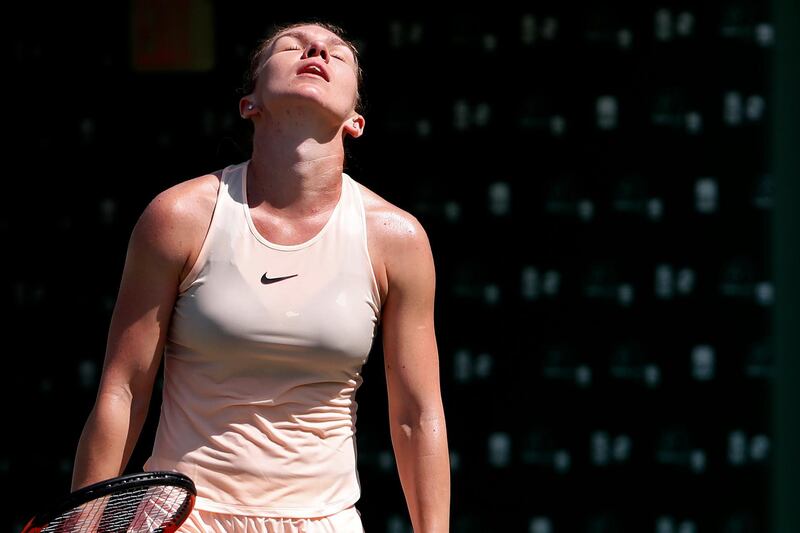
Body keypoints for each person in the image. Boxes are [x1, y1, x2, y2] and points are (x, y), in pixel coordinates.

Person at [70, 19, 450, 533]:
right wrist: (84, 523)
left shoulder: (397, 238)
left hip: (325, 521)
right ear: (250, 103)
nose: (317, 49)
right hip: (181, 518)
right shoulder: (179, 216)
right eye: (291, 46)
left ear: (356, 121)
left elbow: (416, 415)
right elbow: (124, 390)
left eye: (337, 54)